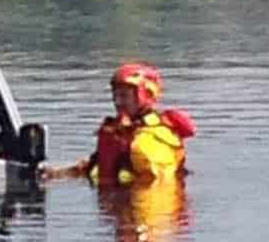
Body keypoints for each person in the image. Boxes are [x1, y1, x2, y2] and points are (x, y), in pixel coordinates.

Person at [39, 62, 196, 186]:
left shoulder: (152, 137)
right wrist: (58, 173)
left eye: (124, 96)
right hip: (114, 208)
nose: (117, 102)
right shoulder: (120, 129)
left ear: (145, 95)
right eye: (115, 95)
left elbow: (156, 183)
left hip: (136, 210)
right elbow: (95, 165)